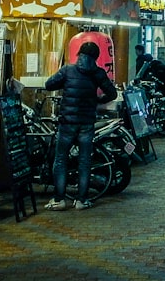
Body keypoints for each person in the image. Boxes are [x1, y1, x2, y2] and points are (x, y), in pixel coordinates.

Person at [44, 40, 118, 211]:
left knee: (61, 160)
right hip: (86, 123)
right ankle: (81, 201)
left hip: (67, 123)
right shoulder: (98, 73)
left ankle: (59, 200)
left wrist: (64, 84)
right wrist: (98, 100)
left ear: (79, 54)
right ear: (96, 57)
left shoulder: (68, 70)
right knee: (84, 162)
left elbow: (49, 84)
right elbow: (112, 93)